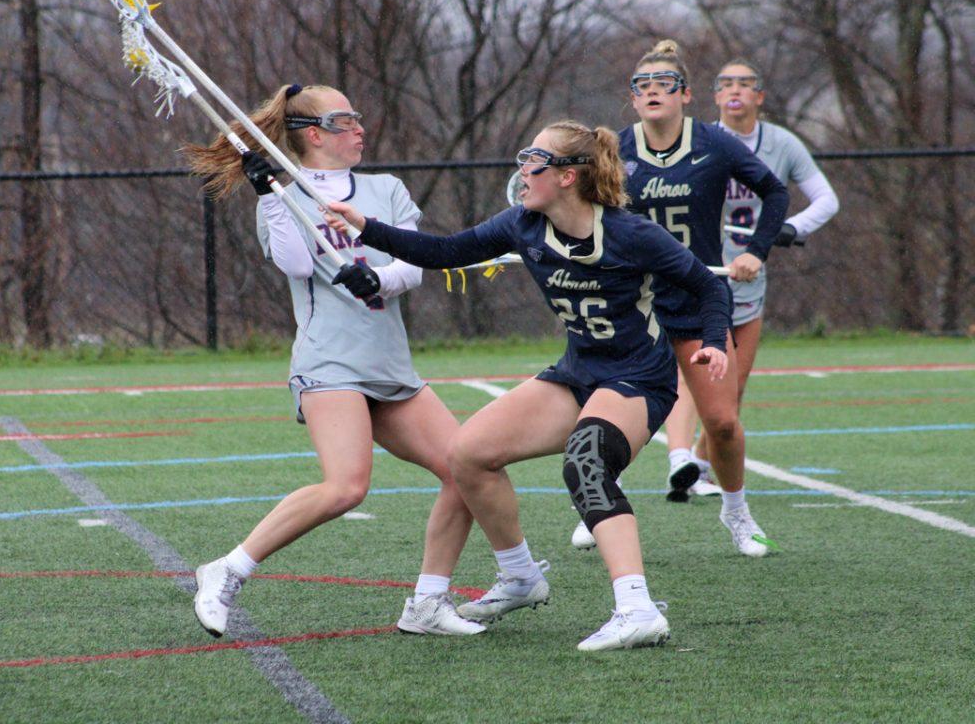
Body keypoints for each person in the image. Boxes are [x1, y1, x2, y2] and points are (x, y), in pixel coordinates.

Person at [326, 120, 732, 651]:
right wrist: (365, 226)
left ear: (567, 176)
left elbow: (706, 285)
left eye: (534, 159)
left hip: (637, 376)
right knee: (467, 454)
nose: (522, 170)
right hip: (578, 371)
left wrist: (715, 341)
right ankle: (519, 577)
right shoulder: (521, 223)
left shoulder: (632, 234)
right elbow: (444, 251)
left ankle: (637, 608)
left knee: (586, 461)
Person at [185, 83, 484, 638]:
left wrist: (379, 278)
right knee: (347, 486)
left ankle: (427, 602)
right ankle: (228, 568)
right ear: (314, 135)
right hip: (330, 362)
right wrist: (270, 196)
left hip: (388, 363)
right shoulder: (282, 191)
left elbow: (413, 266)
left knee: (466, 470)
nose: (361, 128)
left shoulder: (385, 188)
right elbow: (298, 265)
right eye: (347, 120)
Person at [572, 40, 790, 557]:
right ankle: (597, 503)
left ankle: (736, 511)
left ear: (686, 94)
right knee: (611, 415)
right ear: (632, 98)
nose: (651, 92)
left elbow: (775, 192)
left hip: (696, 296)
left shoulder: (715, 143)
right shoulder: (616, 150)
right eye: (640, 86)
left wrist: (756, 251)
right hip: (632, 302)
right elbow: (581, 209)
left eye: (663, 84)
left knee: (721, 421)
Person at [669, 59, 839, 476]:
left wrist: (789, 228)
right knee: (693, 372)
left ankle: (702, 464)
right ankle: (680, 461)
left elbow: (826, 199)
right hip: (701, 271)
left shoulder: (782, 144)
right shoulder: (698, 140)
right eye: (725, 83)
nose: (735, 91)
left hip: (747, 275)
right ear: (713, 96)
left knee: (732, 389)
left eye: (745, 84)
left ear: (759, 96)